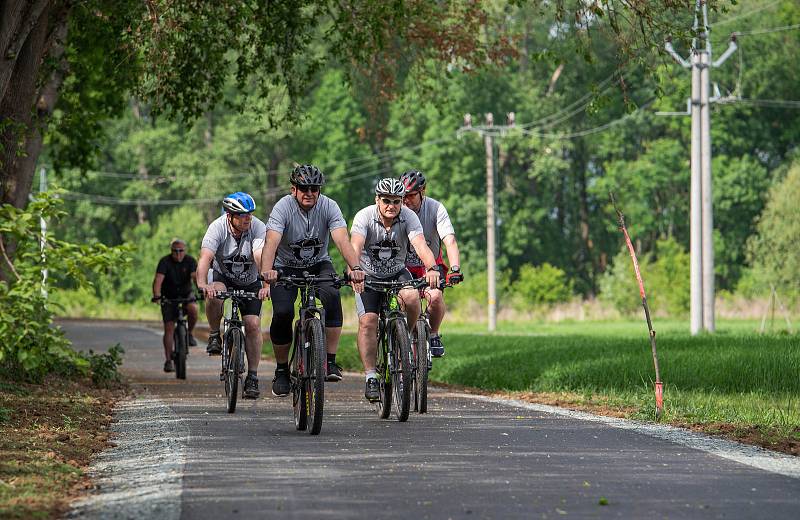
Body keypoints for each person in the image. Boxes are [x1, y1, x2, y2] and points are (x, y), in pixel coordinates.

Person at [261, 165, 365, 396]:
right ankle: (281, 370)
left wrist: (356, 267)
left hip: (319, 264)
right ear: (293, 190)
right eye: (304, 188)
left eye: (314, 189)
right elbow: (271, 242)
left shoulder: (329, 206)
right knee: (283, 312)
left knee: (332, 295)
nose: (309, 193)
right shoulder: (283, 207)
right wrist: (267, 272)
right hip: (284, 267)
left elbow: (341, 240)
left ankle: (329, 360)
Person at [350, 178, 440, 402]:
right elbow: (356, 246)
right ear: (377, 200)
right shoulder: (364, 216)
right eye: (386, 201)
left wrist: (432, 268)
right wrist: (354, 270)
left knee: (411, 298)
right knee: (368, 321)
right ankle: (371, 375)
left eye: (396, 201)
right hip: (368, 275)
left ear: (401, 202)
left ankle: (405, 338)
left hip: (397, 272)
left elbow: (420, 244)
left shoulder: (409, 217)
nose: (391, 205)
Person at [196, 192, 269, 399]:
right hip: (223, 277)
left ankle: (253, 376)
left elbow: (259, 255)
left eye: (250, 214)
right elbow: (205, 257)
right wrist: (202, 284)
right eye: (242, 214)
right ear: (229, 216)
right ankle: (213, 334)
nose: (248, 218)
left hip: (251, 280)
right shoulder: (217, 227)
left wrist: (265, 284)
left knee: (253, 324)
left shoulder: (257, 227)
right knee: (215, 293)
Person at [400, 169, 463, 358]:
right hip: (402, 267)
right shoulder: (397, 209)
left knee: (435, 297)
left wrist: (455, 268)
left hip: (430, 268)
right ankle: (399, 340)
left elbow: (449, 240)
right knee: (402, 303)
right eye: (403, 196)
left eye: (411, 196)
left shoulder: (436, 209)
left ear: (423, 191)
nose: (406, 201)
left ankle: (433, 334)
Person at [151, 239, 199, 373]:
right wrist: (156, 295)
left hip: (186, 295)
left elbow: (195, 277)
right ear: (171, 251)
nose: (178, 253)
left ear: (185, 250)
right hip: (169, 297)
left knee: (193, 309)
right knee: (169, 328)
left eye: (181, 250)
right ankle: (168, 360)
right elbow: (158, 280)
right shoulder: (164, 261)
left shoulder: (190, 261)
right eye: (175, 251)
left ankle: (189, 334)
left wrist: (201, 290)